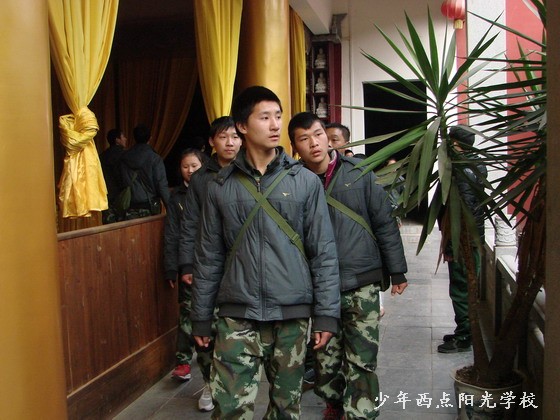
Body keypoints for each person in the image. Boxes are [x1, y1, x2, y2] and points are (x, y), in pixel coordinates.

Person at [191, 86, 341, 419]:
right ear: (242, 126)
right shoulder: (219, 187)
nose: (275, 125)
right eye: (264, 117)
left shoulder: (304, 182)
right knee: (229, 409)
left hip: (291, 314)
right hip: (236, 313)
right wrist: (200, 317)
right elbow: (208, 257)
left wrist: (326, 313)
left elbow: (323, 252)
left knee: (286, 409)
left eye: (278, 116)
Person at [289, 112, 408, 419]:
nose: (314, 143)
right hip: (319, 286)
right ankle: (334, 402)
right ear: (294, 147)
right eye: (304, 139)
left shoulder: (359, 173)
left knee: (362, 357)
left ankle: (361, 413)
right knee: (325, 360)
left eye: (318, 134)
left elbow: (383, 222)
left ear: (328, 137)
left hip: (361, 279)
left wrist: (397, 269)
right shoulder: (293, 182)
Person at [177, 116, 242, 411]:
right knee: (203, 326)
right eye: (223, 137)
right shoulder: (201, 179)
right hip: (205, 263)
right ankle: (209, 382)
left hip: (240, 263)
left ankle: (235, 385)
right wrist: (186, 265)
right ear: (212, 142)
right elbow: (189, 223)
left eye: (235, 137)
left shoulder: (248, 171)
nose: (230, 143)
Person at [437, 125, 487, 353]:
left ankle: (465, 336)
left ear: (456, 144)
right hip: (469, 239)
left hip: (463, 240)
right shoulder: (474, 165)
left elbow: (462, 212)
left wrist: (451, 245)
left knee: (461, 288)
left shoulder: (462, 170)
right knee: (465, 286)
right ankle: (464, 330)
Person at [163, 148, 206, 384]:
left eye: (194, 166)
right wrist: (173, 267)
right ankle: (183, 361)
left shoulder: (212, 188)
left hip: (212, 261)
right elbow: (172, 234)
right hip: (189, 264)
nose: (190, 170)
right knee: (188, 312)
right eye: (185, 166)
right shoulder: (177, 197)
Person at [119, 124, 170, 219]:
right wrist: (170, 208)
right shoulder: (155, 158)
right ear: (150, 138)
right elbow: (161, 184)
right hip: (149, 204)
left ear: (134, 138)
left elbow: (121, 180)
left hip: (129, 204)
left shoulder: (124, 157)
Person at [100, 128, 128, 223]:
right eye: (123, 136)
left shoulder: (102, 156)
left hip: (106, 196)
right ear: (117, 140)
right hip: (121, 196)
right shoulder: (125, 155)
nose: (125, 139)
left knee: (109, 225)